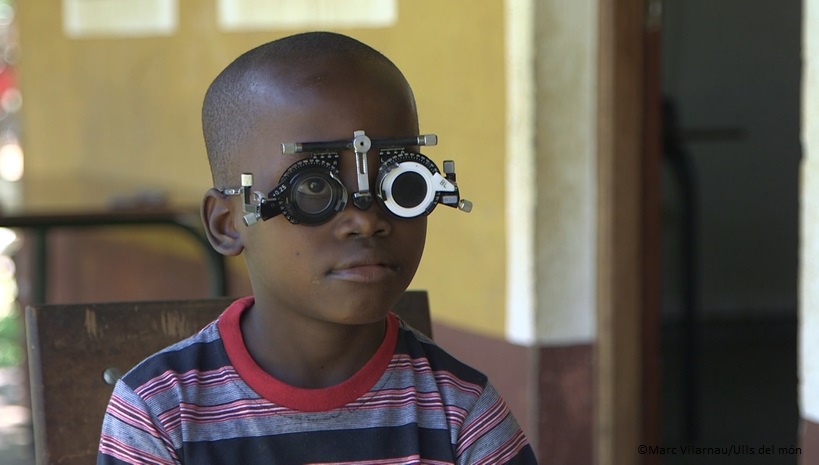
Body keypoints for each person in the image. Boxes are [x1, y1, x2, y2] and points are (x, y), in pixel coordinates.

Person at [97, 31, 538, 464]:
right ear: (227, 223)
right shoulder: (160, 415)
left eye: (401, 182)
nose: (366, 219)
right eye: (313, 187)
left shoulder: (462, 414)